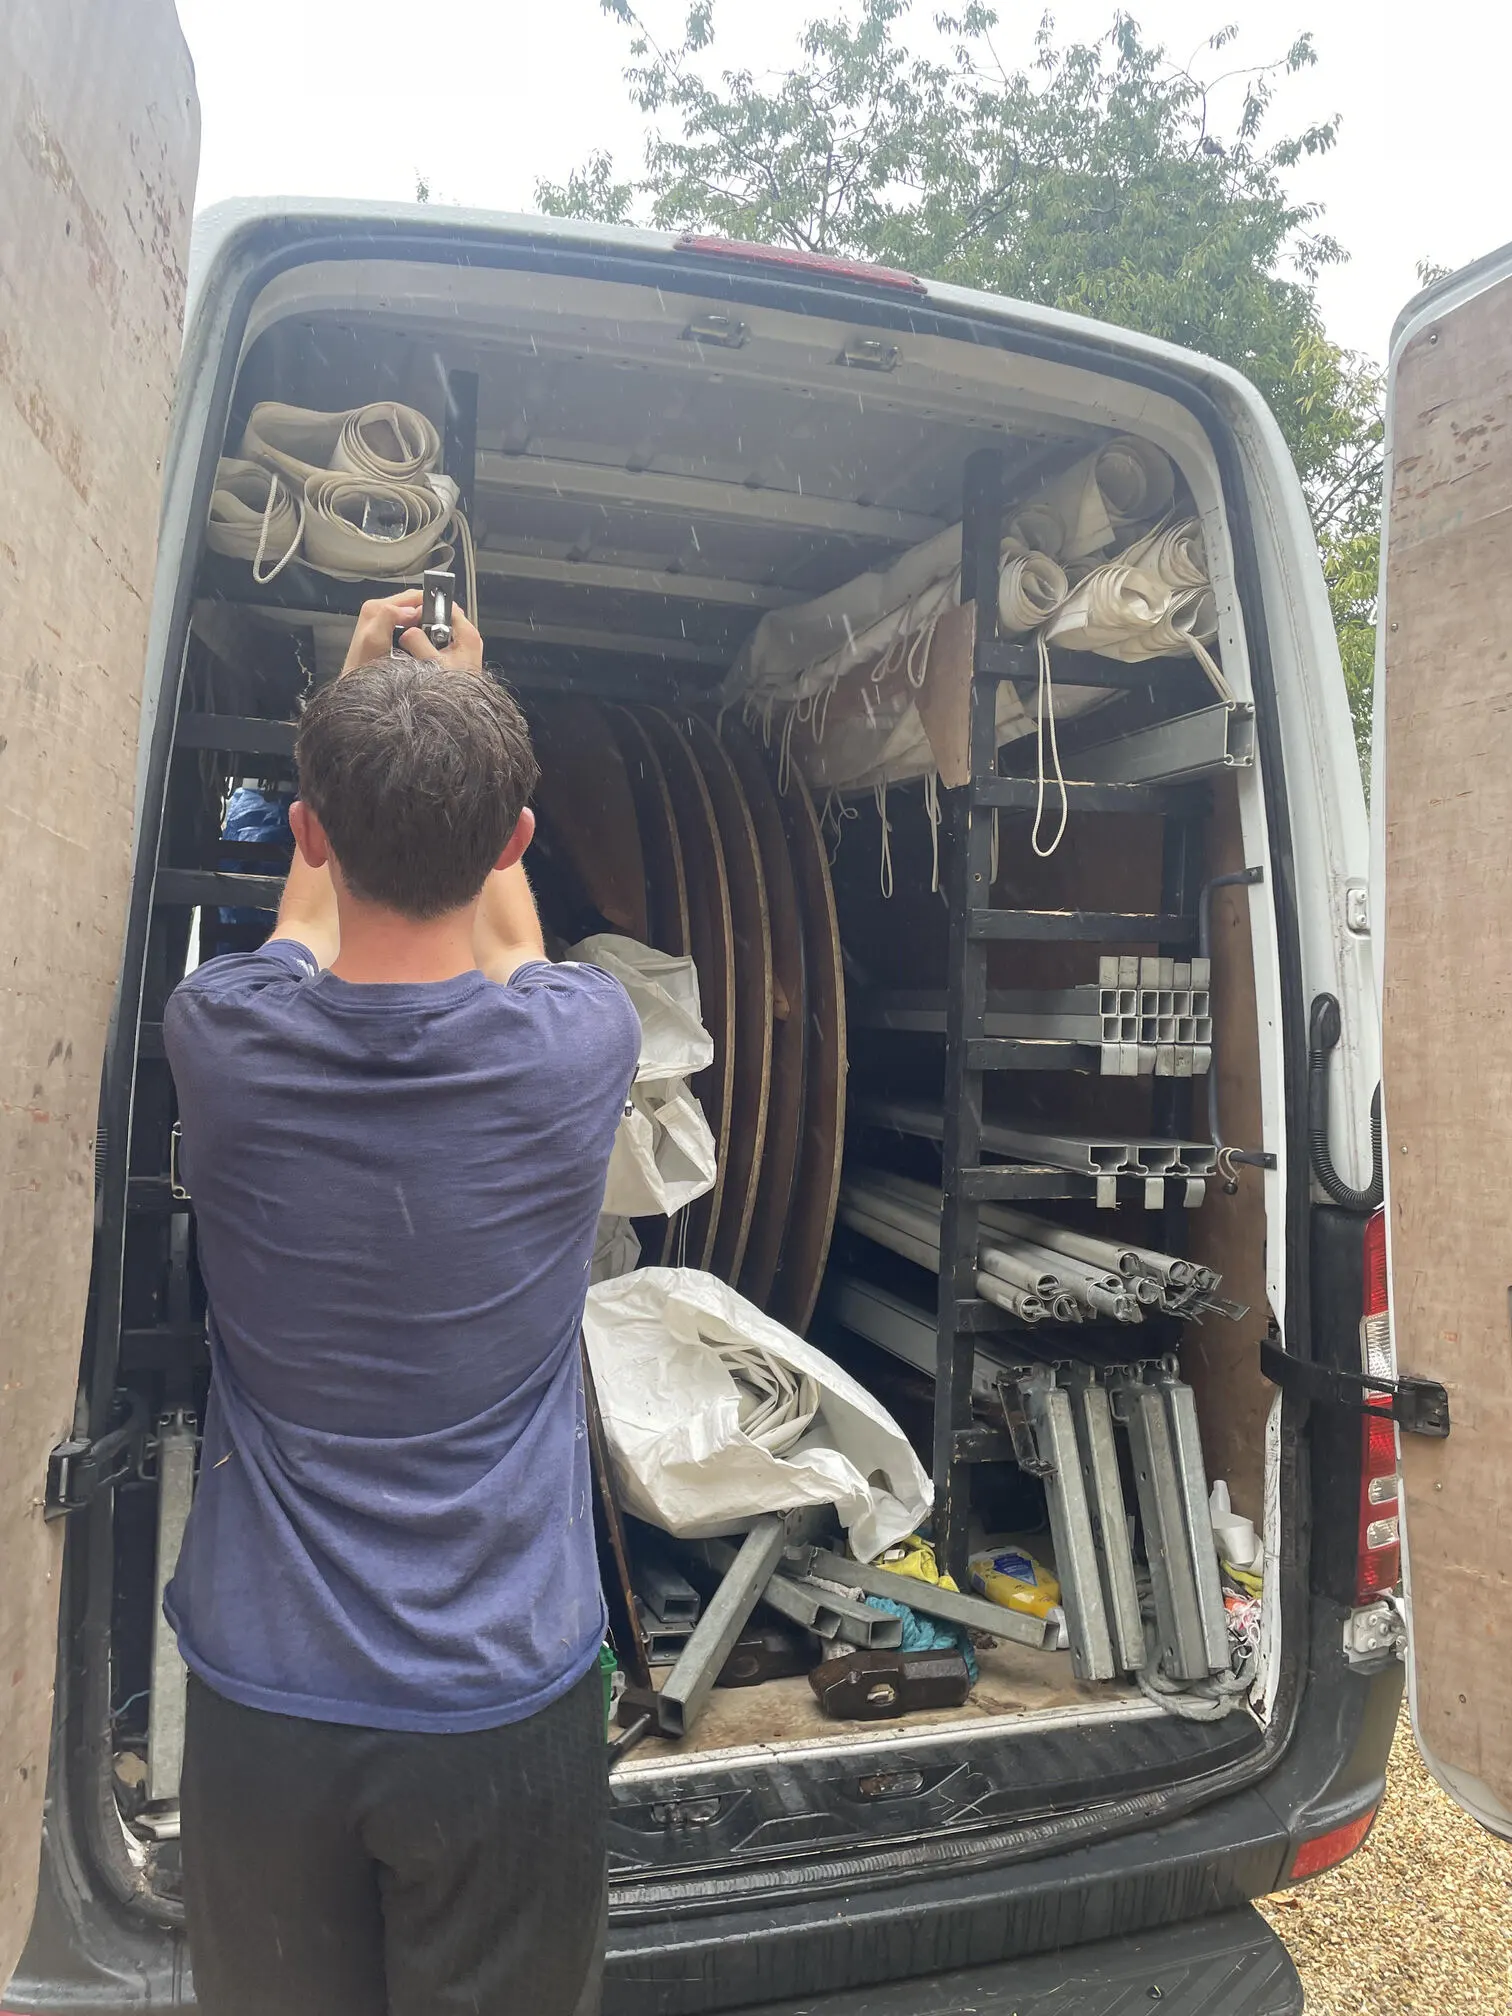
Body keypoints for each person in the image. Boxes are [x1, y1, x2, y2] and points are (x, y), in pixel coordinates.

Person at [162, 591, 640, 2016]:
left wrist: (359, 699)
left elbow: (310, 924)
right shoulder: (580, 1047)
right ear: (517, 844)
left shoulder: (222, 1037)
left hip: (265, 1709)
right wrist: (468, 712)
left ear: (306, 830)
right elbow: (510, 951)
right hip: (500, 1712)